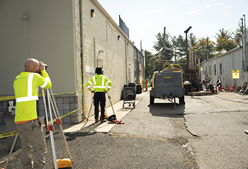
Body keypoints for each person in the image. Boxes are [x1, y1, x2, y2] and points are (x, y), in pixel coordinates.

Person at [13, 58, 52, 169]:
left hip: (19, 120)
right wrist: (43, 71)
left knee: (26, 147)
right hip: (31, 121)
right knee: (40, 148)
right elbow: (48, 84)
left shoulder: (17, 78)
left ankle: (27, 167)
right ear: (35, 69)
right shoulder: (34, 77)